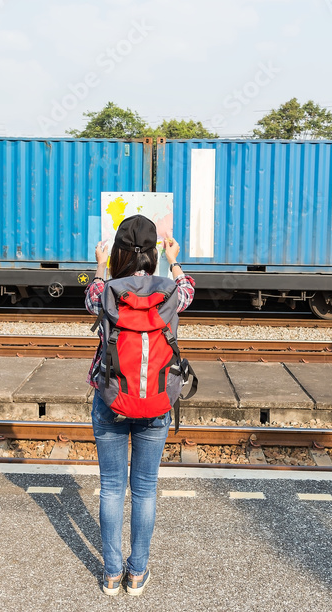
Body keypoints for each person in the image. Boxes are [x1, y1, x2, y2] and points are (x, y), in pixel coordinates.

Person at [85, 215, 195, 597]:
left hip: (111, 398)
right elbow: (189, 288)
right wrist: (175, 259)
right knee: (145, 490)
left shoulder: (106, 291)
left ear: (118, 252)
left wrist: (99, 265)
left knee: (112, 488)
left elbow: (89, 298)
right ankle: (137, 574)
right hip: (157, 401)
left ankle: (112, 574)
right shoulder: (171, 292)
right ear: (154, 253)